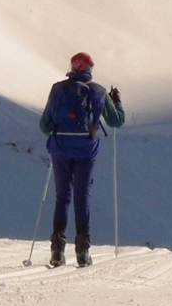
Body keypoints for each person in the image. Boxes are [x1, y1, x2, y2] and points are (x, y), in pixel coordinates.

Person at [39, 51, 125, 267]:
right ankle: (82, 252)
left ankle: (57, 251)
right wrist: (117, 102)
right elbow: (116, 121)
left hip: (60, 149)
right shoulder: (98, 91)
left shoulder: (58, 89)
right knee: (82, 196)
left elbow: (44, 127)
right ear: (90, 69)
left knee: (62, 196)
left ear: (71, 67)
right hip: (86, 151)